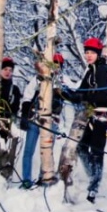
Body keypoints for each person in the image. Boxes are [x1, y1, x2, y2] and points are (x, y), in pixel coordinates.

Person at [59, 38, 107, 203]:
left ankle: (94, 186)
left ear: (98, 54)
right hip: (91, 114)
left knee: (97, 151)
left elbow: (106, 94)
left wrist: (85, 95)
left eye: (92, 53)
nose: (88, 56)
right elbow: (80, 93)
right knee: (82, 146)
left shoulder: (103, 70)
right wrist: (64, 92)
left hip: (102, 116)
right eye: (87, 52)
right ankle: (93, 176)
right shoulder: (90, 70)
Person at [19, 53, 68, 189]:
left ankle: (44, 176)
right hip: (35, 119)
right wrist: (24, 116)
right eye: (53, 65)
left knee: (48, 151)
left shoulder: (62, 83)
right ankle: (26, 178)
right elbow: (27, 98)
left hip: (51, 121)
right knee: (28, 150)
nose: (55, 68)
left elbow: (71, 95)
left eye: (58, 66)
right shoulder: (38, 79)